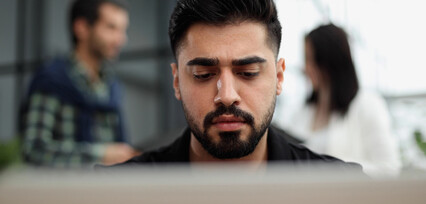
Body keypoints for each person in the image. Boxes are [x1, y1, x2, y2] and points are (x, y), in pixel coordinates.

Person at [107, 0, 361, 170]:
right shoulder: (113, 193)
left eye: (248, 73)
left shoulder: (344, 191)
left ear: (279, 78)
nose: (227, 96)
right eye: (204, 74)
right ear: (176, 81)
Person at [22, 0, 139, 168]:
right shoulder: (51, 81)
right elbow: (34, 151)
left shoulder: (112, 87)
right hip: (63, 192)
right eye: (111, 28)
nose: (121, 40)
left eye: (123, 30)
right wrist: (101, 155)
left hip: (107, 191)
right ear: (82, 28)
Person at [282, 24, 401, 176]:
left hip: (350, 198)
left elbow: (389, 168)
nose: (305, 68)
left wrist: (333, 167)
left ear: (328, 62)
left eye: (309, 59)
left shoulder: (367, 104)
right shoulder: (302, 111)